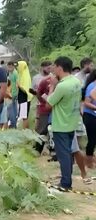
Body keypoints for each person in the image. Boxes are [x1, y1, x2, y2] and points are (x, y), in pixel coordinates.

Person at [46, 56, 81, 191]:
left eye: (54, 67)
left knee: (63, 155)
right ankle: (67, 177)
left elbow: (49, 104)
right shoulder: (76, 82)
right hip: (71, 123)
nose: (53, 70)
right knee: (68, 153)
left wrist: (52, 87)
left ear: (60, 68)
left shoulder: (62, 86)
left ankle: (66, 183)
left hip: (61, 124)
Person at [82, 70, 96, 168]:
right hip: (90, 115)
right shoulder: (92, 86)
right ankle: (89, 162)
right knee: (92, 139)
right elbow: (86, 103)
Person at [17, 61, 33, 129]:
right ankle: (25, 130)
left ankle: (25, 131)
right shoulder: (21, 74)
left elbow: (26, 89)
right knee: (23, 116)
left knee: (24, 116)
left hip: (25, 98)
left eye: (18, 66)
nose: (17, 67)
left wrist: (19, 85)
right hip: (22, 98)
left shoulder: (25, 76)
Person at [7, 61, 19, 128]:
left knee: (11, 110)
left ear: (13, 66)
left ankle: (13, 125)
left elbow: (17, 83)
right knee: (13, 110)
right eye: (8, 67)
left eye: (10, 67)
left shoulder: (15, 73)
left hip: (13, 94)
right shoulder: (10, 73)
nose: (9, 68)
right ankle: (13, 124)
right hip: (10, 93)